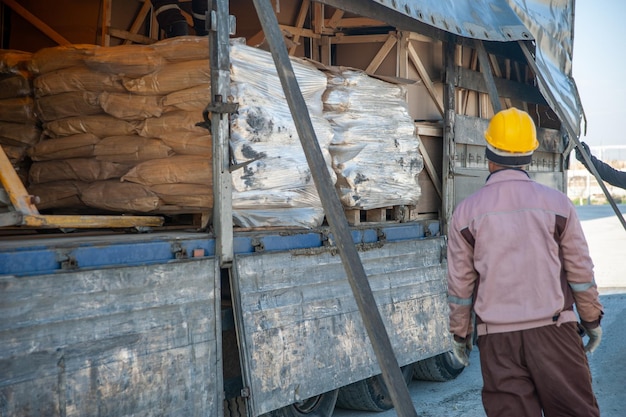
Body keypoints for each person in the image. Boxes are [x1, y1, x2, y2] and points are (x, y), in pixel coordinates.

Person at [447, 107, 604, 417]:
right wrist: (592, 320)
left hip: (497, 340)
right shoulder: (558, 205)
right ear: (531, 155)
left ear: (488, 153)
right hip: (554, 332)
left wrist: (460, 332)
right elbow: (580, 272)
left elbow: (460, 284)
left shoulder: (466, 213)